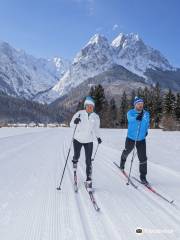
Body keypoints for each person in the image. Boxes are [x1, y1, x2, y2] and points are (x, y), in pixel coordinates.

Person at [70, 96, 102, 191]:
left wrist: (98, 137)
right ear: (85, 106)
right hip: (78, 139)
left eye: (92, 106)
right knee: (77, 155)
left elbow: (96, 129)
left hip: (88, 141)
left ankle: (88, 180)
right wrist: (75, 122)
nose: (90, 107)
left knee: (88, 161)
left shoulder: (96, 117)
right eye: (88, 106)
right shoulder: (79, 114)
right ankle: (74, 162)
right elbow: (71, 124)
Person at [120, 96, 150, 184]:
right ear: (135, 105)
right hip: (131, 138)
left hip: (141, 139)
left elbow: (147, 123)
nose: (141, 105)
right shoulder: (130, 113)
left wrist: (146, 131)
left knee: (143, 158)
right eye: (139, 104)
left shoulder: (146, 113)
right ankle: (122, 161)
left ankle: (143, 177)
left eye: (142, 104)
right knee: (127, 151)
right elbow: (131, 120)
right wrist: (137, 117)